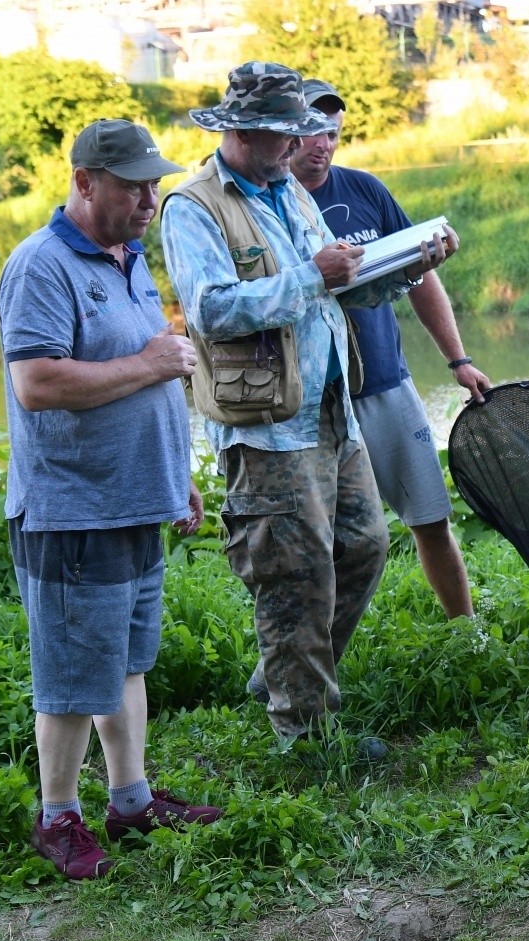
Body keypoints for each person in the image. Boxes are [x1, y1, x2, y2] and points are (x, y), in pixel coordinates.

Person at [160, 62, 455, 752]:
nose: (299, 148)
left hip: (331, 408)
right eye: (286, 137)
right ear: (244, 131)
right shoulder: (193, 205)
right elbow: (210, 311)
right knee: (295, 573)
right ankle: (306, 731)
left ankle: (283, 672)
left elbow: (333, 293)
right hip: (267, 427)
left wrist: (406, 265)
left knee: (364, 546)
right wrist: (311, 274)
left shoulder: (288, 189)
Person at [0, 119, 224, 880]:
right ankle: (57, 816)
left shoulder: (125, 259)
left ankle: (129, 802)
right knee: (70, 676)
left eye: (153, 183)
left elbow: (140, 380)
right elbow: (39, 382)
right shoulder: (43, 265)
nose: (148, 197)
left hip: (131, 502)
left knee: (124, 662)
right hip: (71, 512)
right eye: (131, 184)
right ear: (85, 182)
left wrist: (174, 473)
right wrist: (153, 358)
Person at [288, 78, 489, 620]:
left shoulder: (365, 190)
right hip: (312, 399)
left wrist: (459, 359)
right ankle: (310, 655)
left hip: (386, 384)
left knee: (431, 517)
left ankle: (464, 632)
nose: (323, 143)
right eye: (310, 131)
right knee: (326, 539)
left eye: (332, 132)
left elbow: (418, 277)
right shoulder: (270, 205)